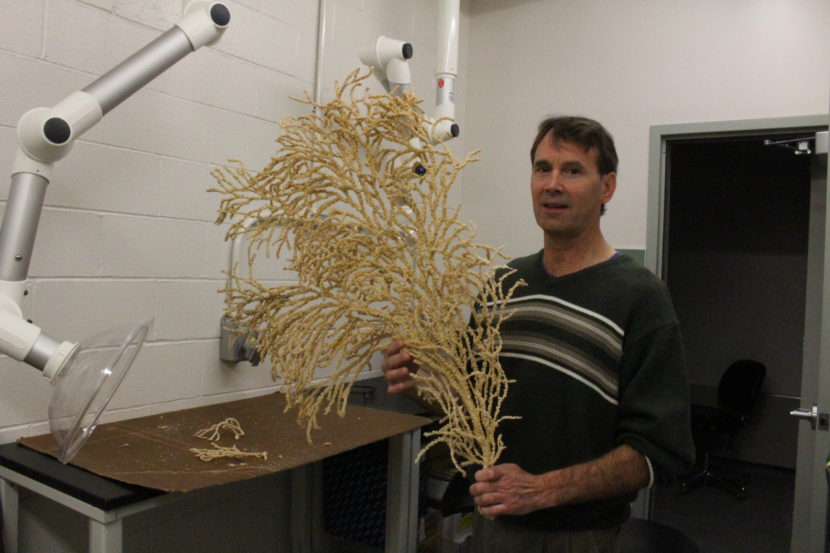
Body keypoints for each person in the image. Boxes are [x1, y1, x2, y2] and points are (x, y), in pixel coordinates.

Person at [382, 115, 694, 552]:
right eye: (542, 168)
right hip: (492, 525)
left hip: (580, 537)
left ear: (606, 187)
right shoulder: (503, 285)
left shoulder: (640, 297)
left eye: (572, 170)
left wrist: (544, 489)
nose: (552, 183)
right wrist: (423, 387)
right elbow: (472, 409)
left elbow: (657, 452)